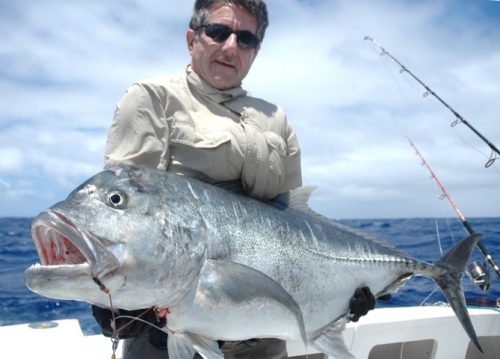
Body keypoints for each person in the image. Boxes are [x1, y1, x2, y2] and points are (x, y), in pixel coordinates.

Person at [92, 0, 376, 358]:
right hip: (169, 338)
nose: (230, 47)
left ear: (256, 51)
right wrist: (114, 300)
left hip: (262, 338)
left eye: (245, 39)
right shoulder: (153, 99)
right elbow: (122, 208)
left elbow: (295, 223)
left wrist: (339, 294)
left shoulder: (277, 120)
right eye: (218, 32)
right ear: (191, 38)